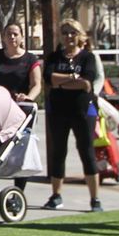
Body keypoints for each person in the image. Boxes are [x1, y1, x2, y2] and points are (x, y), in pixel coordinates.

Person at [42, 19, 104, 212]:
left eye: (72, 33)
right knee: (58, 152)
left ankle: (95, 199)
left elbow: (87, 82)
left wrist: (63, 81)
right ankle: (56, 195)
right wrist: (72, 78)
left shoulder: (87, 57)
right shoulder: (54, 57)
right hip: (58, 111)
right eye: (65, 32)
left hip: (83, 111)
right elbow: (49, 79)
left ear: (80, 35)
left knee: (87, 152)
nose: (69, 36)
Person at [0, 20, 42, 194]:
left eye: (15, 34)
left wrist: (29, 97)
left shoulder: (30, 59)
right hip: (0, 108)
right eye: (8, 34)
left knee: (20, 148)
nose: (12, 37)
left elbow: (36, 84)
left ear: (21, 37)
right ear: (3, 38)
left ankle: (18, 190)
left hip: (22, 109)